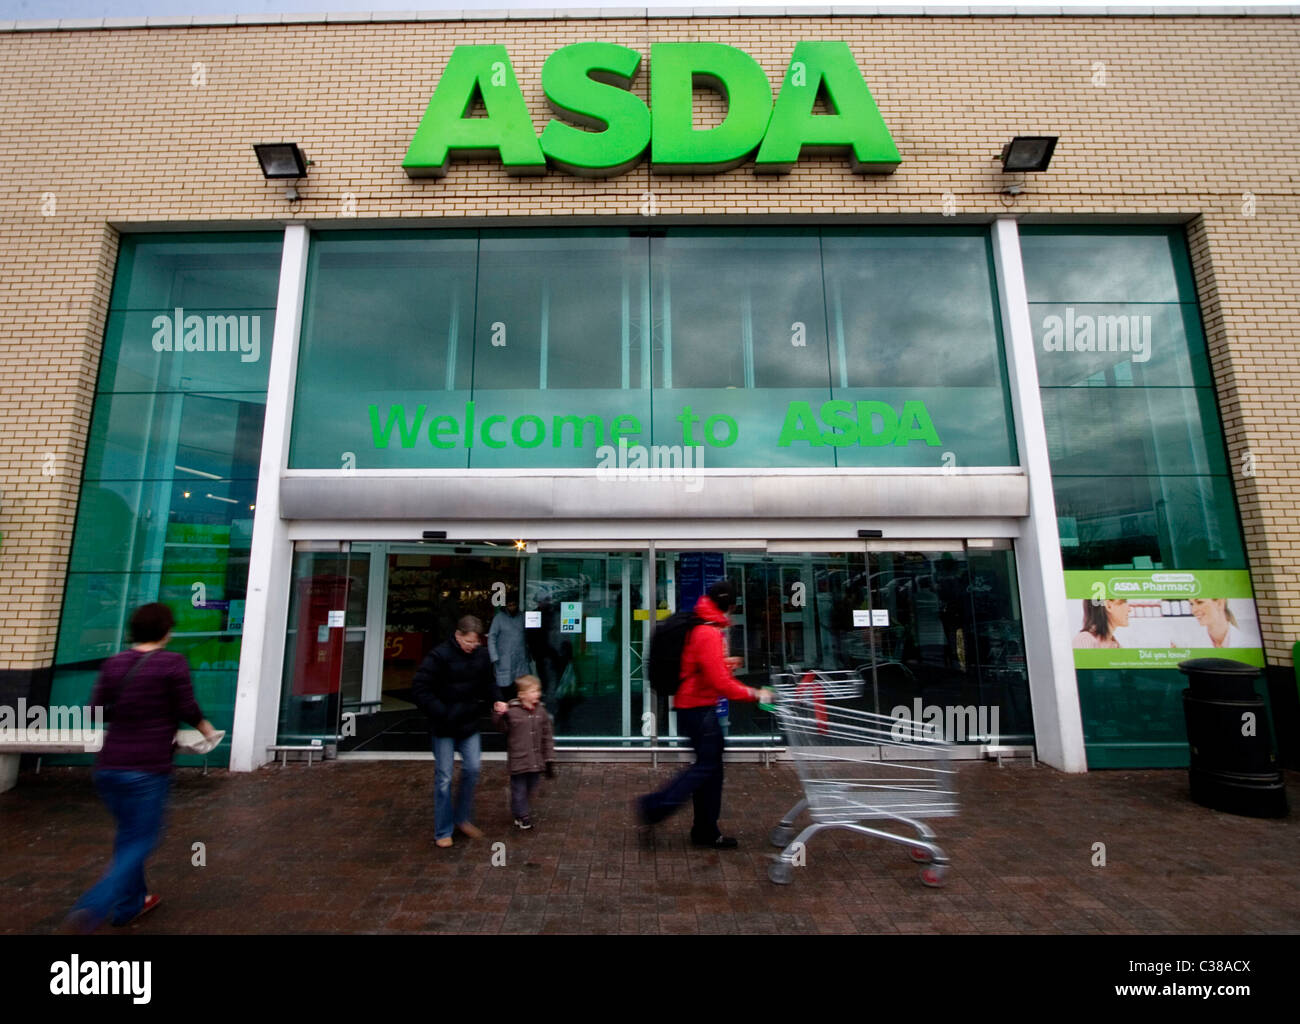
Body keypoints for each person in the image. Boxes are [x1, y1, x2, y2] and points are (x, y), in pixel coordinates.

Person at [65, 602, 219, 933]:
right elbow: (186, 706)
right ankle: (92, 906)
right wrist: (206, 730)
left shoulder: (115, 664)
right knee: (142, 839)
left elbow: (95, 711)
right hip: (148, 768)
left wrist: (131, 709)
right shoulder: (171, 662)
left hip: (109, 768)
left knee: (128, 835)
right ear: (165, 631)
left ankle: (129, 906)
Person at [636, 580, 773, 849]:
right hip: (699, 710)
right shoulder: (708, 632)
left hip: (695, 706)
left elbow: (703, 668)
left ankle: (706, 830)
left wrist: (725, 664)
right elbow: (720, 684)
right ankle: (655, 807)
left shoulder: (703, 624)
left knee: (711, 770)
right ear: (730, 606)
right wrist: (755, 694)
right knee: (706, 767)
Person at [411, 615, 508, 848]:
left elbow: (489, 682)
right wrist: (441, 712)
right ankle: (443, 830)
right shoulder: (439, 656)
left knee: (473, 768)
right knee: (444, 777)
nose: (472, 647)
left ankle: (462, 818)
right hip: (443, 726)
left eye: (476, 643)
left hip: (469, 723)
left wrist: (497, 699)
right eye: (469, 642)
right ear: (458, 635)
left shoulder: (481, 656)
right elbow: (420, 688)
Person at [492, 674, 556, 830]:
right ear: (522, 695)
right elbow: (501, 727)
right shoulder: (513, 711)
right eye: (533, 691)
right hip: (519, 759)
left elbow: (547, 736)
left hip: (535, 759)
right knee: (519, 787)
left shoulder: (541, 712)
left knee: (531, 786)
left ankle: (519, 809)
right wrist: (499, 714)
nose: (537, 694)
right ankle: (522, 815)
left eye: (538, 691)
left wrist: (549, 758)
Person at [488, 593, 532, 698]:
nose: (512, 607)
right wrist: (494, 657)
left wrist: (529, 654)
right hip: (504, 659)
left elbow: (528, 636)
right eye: (509, 605)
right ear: (505, 605)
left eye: (514, 605)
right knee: (505, 688)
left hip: (520, 658)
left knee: (521, 686)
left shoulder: (522, 617)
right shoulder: (499, 618)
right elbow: (491, 637)